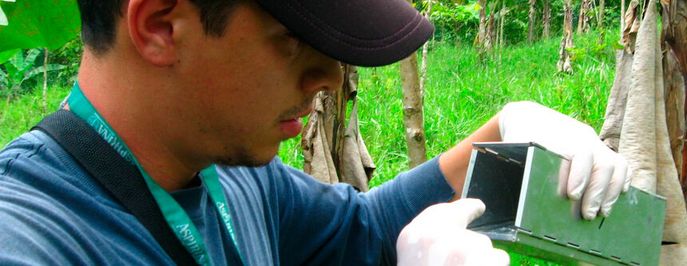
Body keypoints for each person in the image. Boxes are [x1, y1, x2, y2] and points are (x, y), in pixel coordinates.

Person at [0, 0, 630, 265]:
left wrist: (503, 135)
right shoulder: (32, 238)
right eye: (294, 42)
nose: (329, 77)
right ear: (163, 24)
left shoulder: (237, 182)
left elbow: (365, 231)